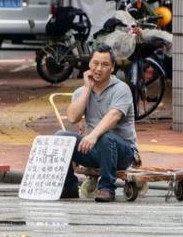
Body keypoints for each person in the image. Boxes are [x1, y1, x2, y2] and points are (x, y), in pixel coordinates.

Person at [56, 44, 139, 202]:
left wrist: (93, 135)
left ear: (113, 68)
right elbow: (72, 117)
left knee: (105, 137)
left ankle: (107, 188)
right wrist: (87, 89)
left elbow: (113, 116)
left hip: (122, 152)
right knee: (60, 137)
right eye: (95, 63)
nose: (98, 69)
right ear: (89, 65)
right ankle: (69, 186)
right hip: (94, 150)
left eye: (105, 64)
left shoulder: (122, 89)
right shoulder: (81, 92)